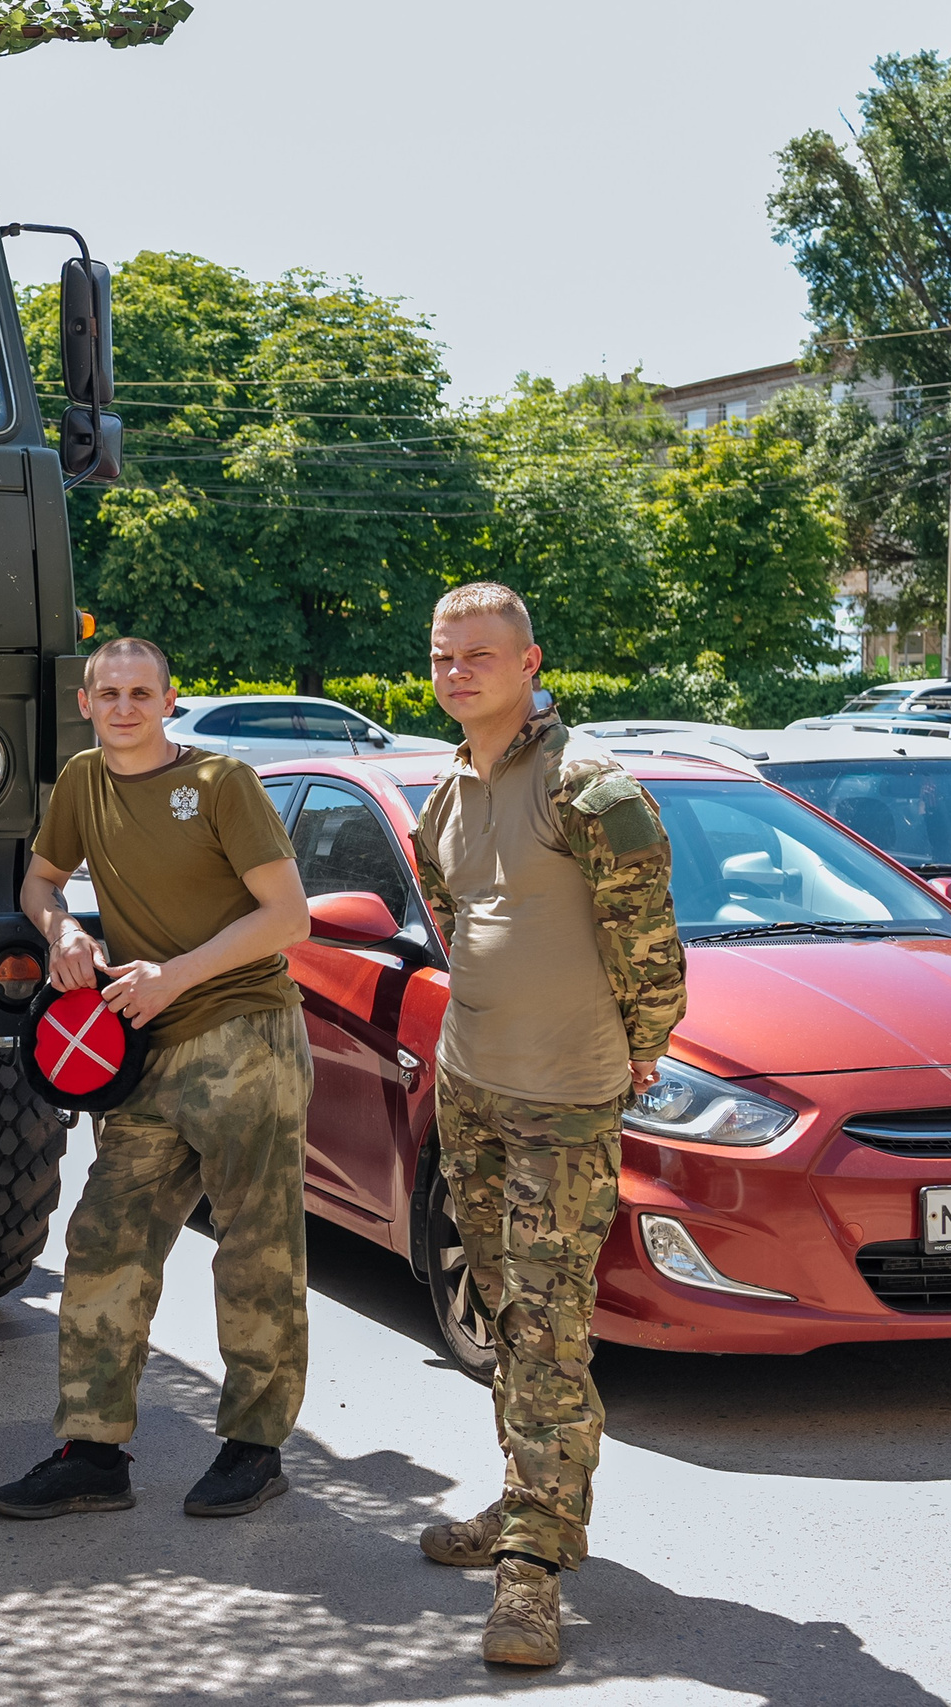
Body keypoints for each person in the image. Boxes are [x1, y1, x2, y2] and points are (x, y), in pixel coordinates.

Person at [407, 582, 684, 1668]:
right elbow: (446, 910)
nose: (458, 672)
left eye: (480, 655)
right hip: (470, 1086)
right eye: (442, 657)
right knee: (505, 1318)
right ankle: (524, 1505)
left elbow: (648, 938)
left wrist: (643, 1043)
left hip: (564, 1100)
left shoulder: (588, 788)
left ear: (530, 664)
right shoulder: (445, 794)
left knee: (551, 1327)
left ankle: (531, 1571)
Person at [0, 635, 314, 1524]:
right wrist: (63, 931)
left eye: (141, 691)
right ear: (86, 702)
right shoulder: (83, 782)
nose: (125, 705)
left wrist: (172, 973)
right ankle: (91, 1452)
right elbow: (39, 880)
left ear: (170, 701)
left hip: (243, 1031)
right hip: (141, 1041)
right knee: (104, 1239)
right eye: (109, 691)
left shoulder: (222, 784)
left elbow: (289, 917)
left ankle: (254, 1447)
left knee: (257, 1247)